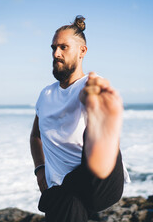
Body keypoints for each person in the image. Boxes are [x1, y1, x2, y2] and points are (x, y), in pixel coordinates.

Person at [30, 15, 129, 222]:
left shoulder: (91, 83)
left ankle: (98, 124)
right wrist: (40, 170)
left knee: (91, 94)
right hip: (66, 190)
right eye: (53, 48)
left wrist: (92, 97)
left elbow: (92, 87)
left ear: (82, 51)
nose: (56, 53)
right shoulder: (45, 95)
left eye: (63, 47)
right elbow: (35, 137)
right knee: (63, 197)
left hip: (100, 181)